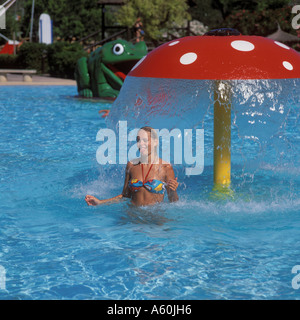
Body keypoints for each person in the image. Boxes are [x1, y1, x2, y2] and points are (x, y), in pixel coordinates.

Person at [85, 126, 179, 207]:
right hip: (134, 219)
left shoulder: (166, 167)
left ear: (155, 142)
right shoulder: (131, 165)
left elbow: (173, 202)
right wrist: (100, 202)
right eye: (138, 140)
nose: (141, 143)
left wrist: (173, 191)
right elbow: (125, 196)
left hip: (155, 219)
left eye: (145, 140)